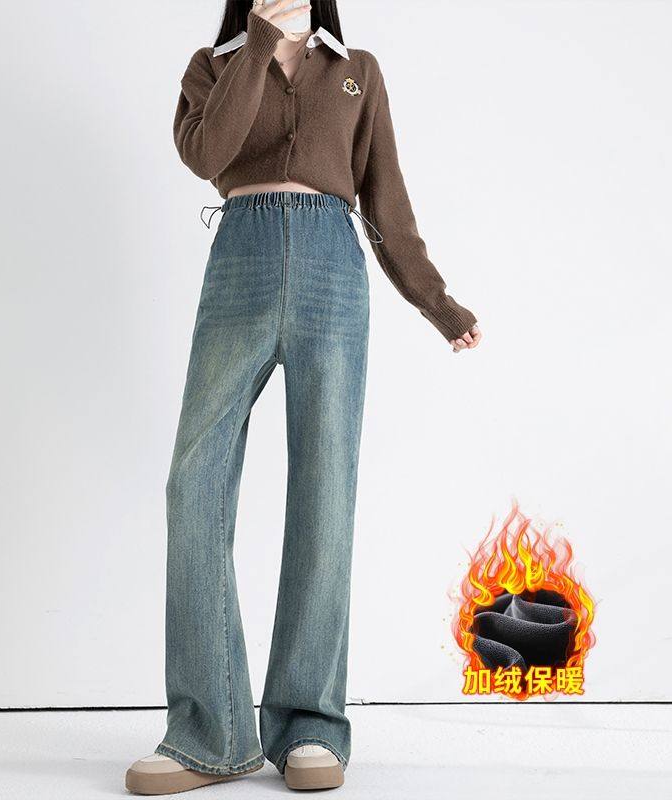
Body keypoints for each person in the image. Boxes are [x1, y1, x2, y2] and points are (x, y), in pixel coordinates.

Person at [126, 0, 482, 794]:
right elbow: (207, 153)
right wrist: (257, 44)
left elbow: (386, 201)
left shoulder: (358, 73)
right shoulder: (213, 66)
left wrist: (438, 303)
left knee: (324, 489)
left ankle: (311, 725)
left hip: (332, 267)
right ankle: (210, 732)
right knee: (194, 483)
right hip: (240, 263)